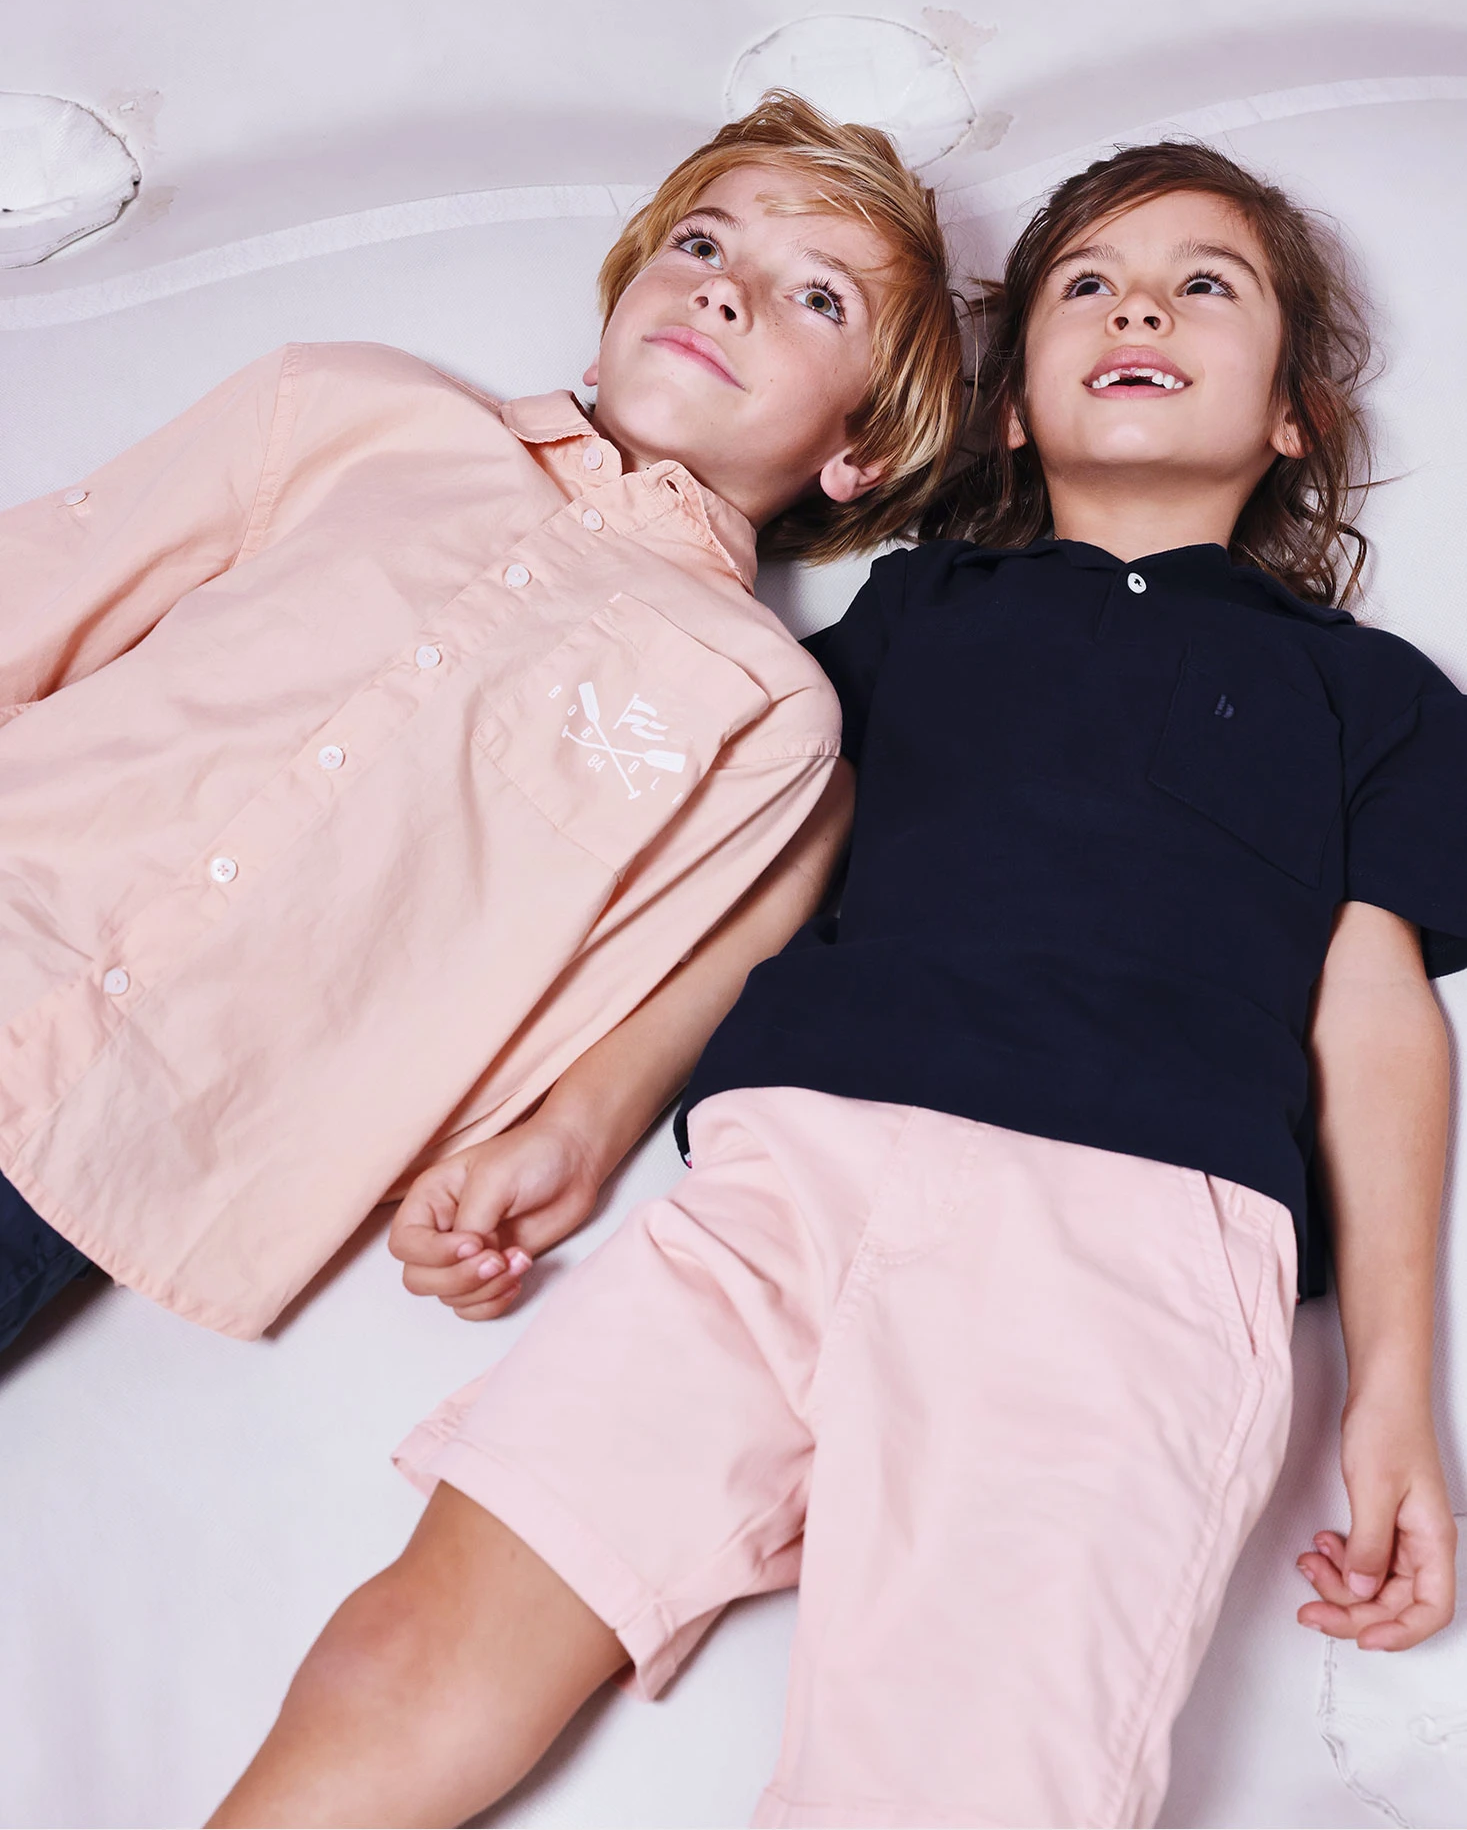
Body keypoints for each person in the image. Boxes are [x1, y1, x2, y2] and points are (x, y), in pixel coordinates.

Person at [210, 142, 1465, 1830]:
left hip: (1118, 1249)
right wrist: (578, 1124)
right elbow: (760, 883)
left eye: (1200, 285)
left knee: (952, 1784)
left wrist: (1392, 1391)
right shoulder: (912, 612)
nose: (1137, 310)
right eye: (1086, 286)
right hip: (783, 1182)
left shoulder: (1364, 692)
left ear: (1292, 416)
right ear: (1006, 409)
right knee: (417, 1643)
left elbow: (1374, 1018)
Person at [0, 91, 965, 1353]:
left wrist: (568, 1135)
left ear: (864, 449)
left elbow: (614, 981)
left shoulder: (764, 711)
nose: (726, 291)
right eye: (703, 242)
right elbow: (42, 595)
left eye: (818, 296)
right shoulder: (352, 411)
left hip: (110, 1141)